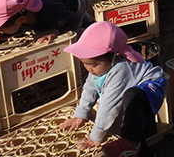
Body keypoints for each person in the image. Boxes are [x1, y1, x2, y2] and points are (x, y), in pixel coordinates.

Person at [60, 21, 166, 157]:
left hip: (151, 88)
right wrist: (81, 114)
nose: (89, 69)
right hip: (131, 91)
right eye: (85, 64)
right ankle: (139, 148)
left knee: (131, 96)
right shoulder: (100, 67)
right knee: (126, 104)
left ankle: (130, 141)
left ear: (116, 56)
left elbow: (108, 104)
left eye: (93, 65)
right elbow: (89, 88)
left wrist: (95, 137)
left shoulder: (121, 70)